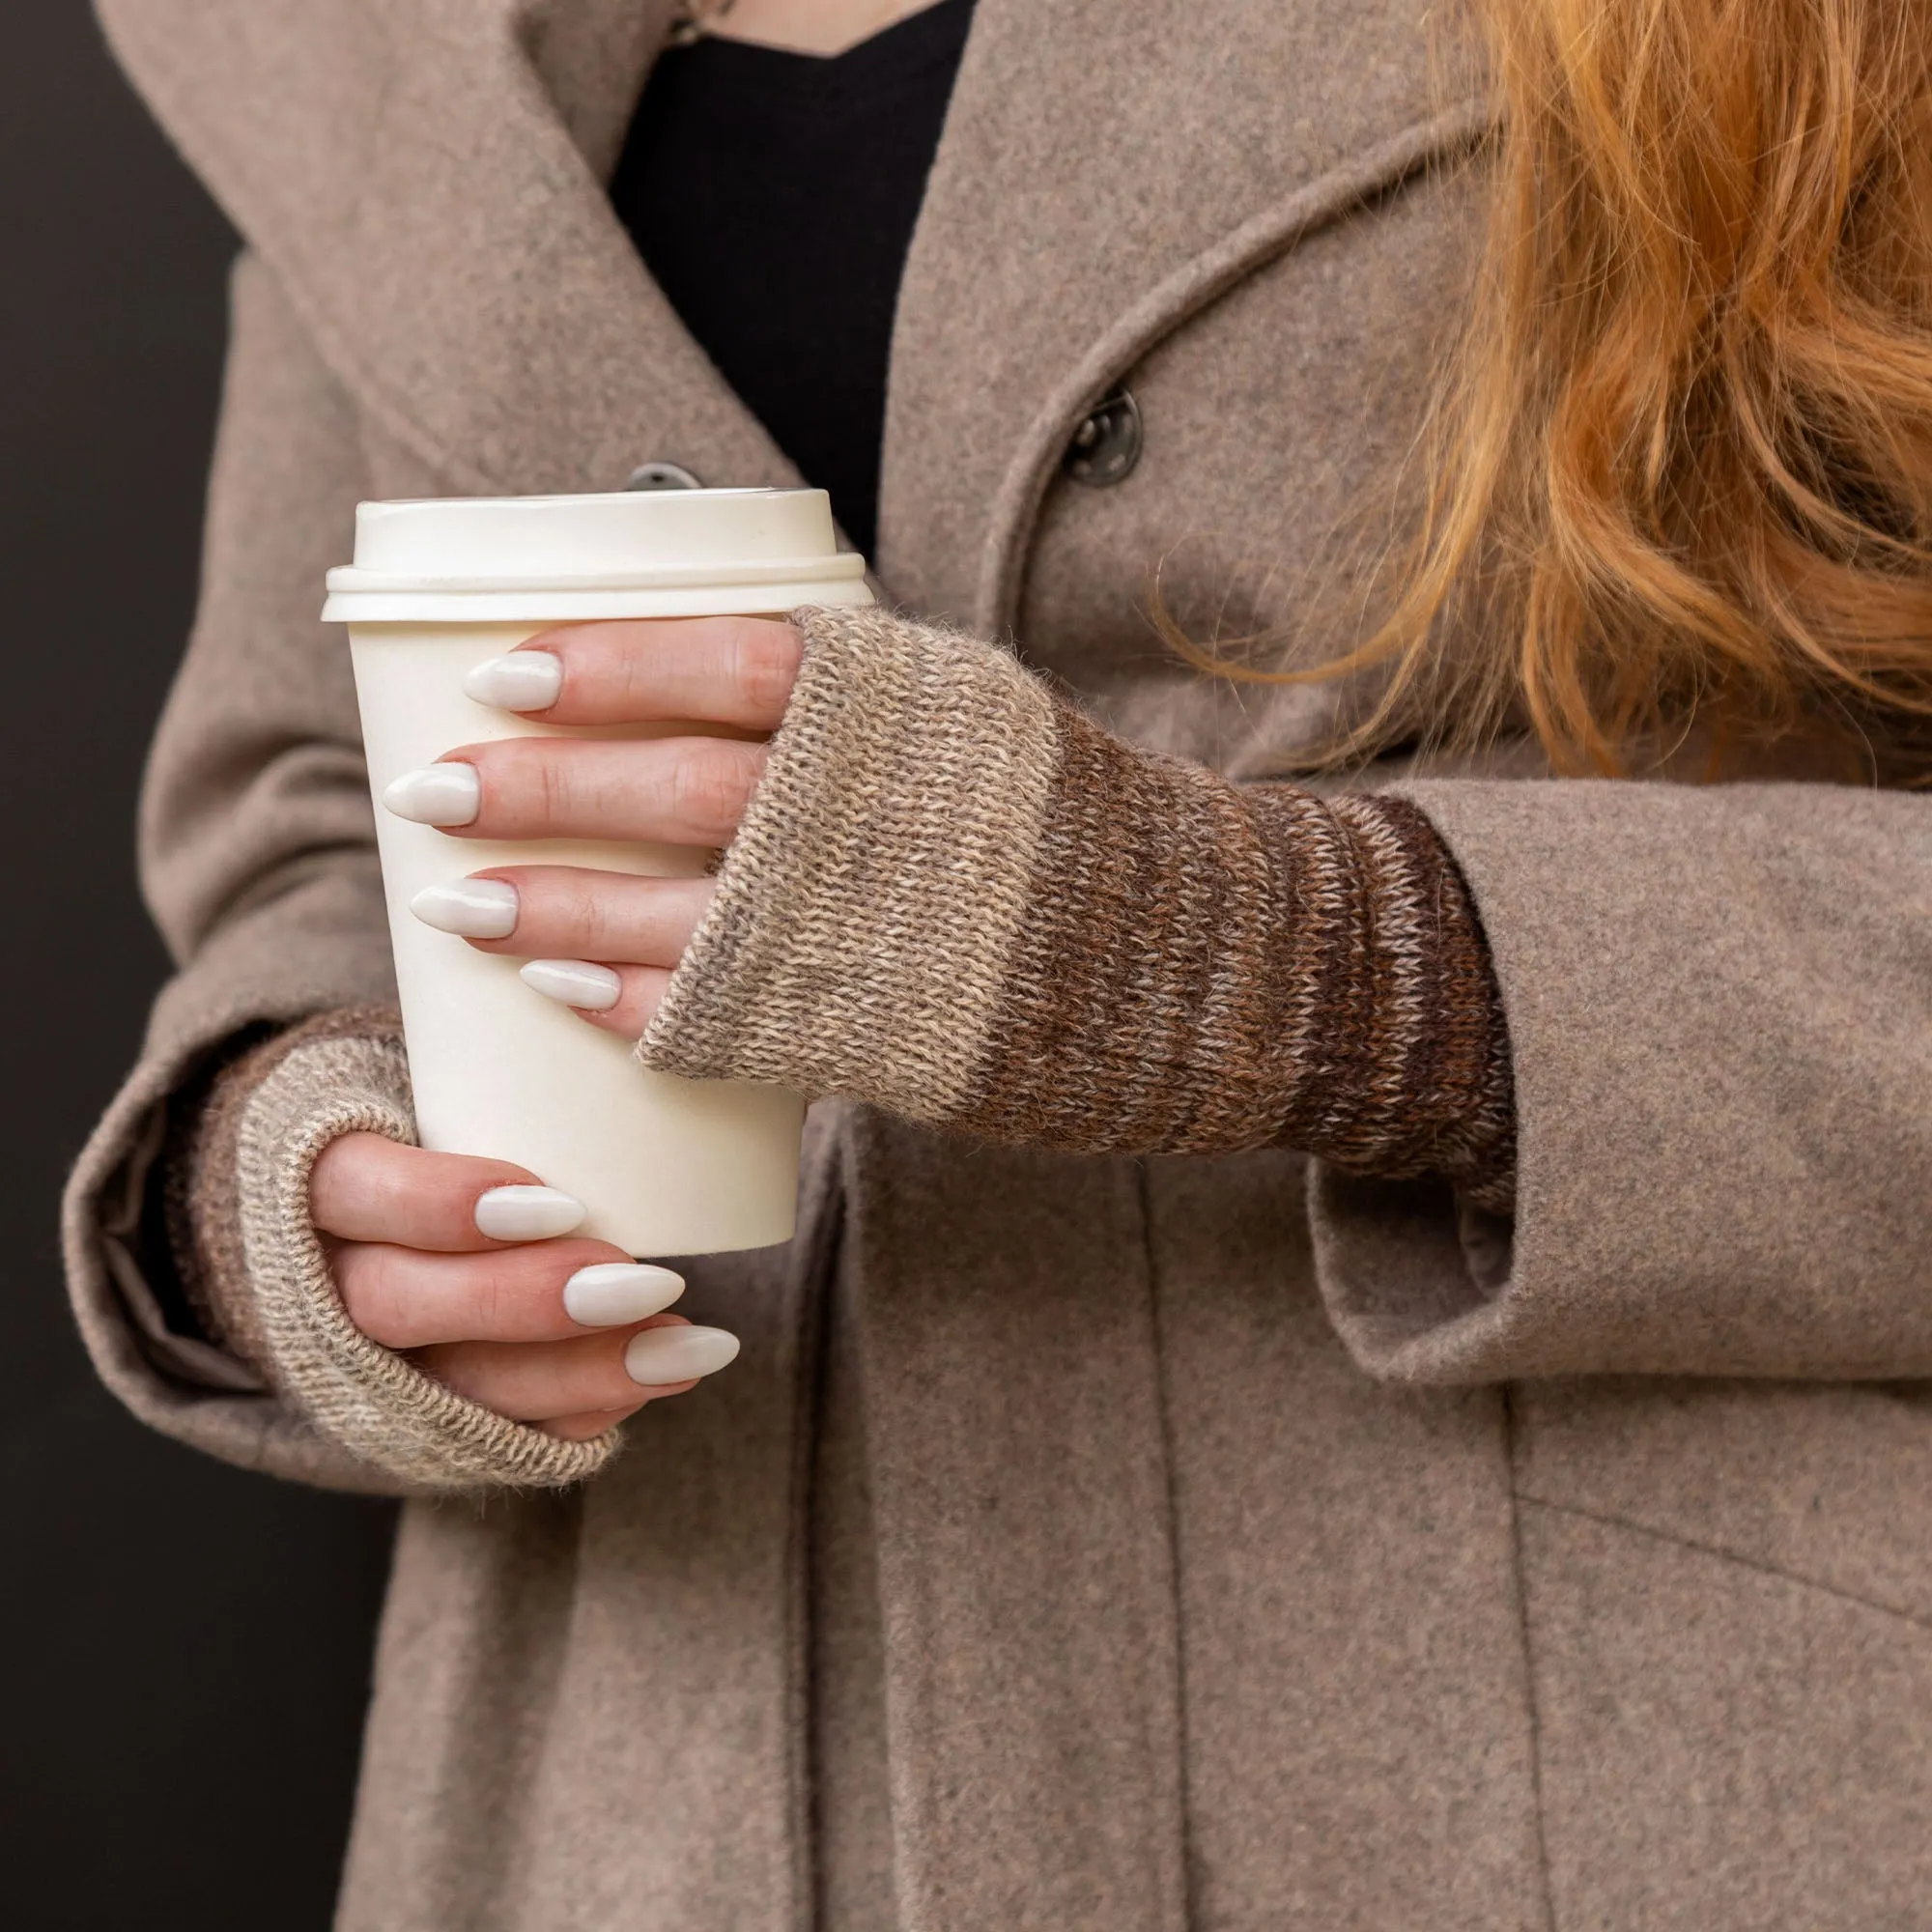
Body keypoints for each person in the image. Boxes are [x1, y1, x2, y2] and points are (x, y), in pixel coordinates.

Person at [66, 0, 1932, 1925]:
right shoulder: (382, 47)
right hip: (638, 1796)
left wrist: (1261, 962)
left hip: (1607, 1786)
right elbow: (309, 816)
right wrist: (306, 1185)